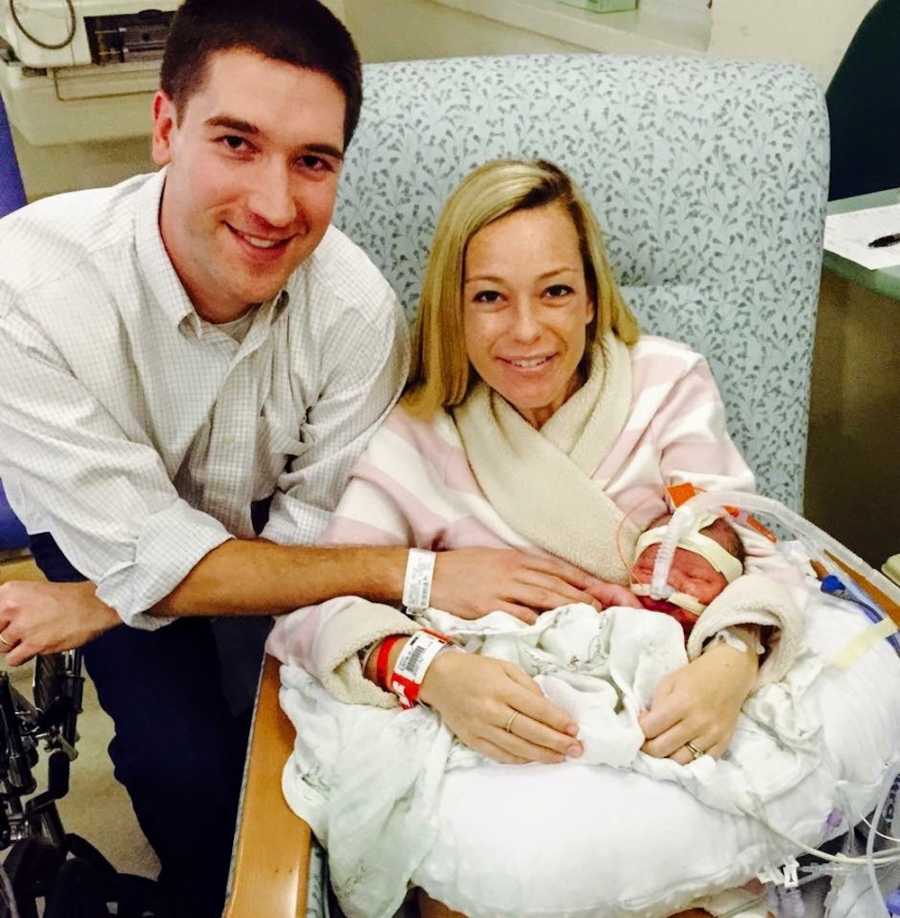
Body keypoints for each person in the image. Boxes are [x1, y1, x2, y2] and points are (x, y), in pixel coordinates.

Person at [0, 8, 617, 915]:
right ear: (166, 128)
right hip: (103, 530)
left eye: (312, 161)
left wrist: (108, 605)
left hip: (263, 539)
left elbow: (309, 537)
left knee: (295, 744)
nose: (275, 204)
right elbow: (149, 552)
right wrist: (421, 575)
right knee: (184, 765)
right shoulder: (30, 291)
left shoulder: (357, 314)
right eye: (237, 142)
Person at [267, 158, 803, 917]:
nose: (526, 332)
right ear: (453, 311)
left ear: (591, 297)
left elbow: (763, 549)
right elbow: (312, 605)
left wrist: (733, 659)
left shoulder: (667, 386)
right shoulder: (418, 436)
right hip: (516, 761)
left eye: (555, 291)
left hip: (667, 735)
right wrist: (435, 672)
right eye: (490, 298)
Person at [629, 511, 748, 638]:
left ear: (727, 591)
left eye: (695, 577)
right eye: (649, 569)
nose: (668, 582)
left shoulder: (725, 643)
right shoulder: (617, 603)